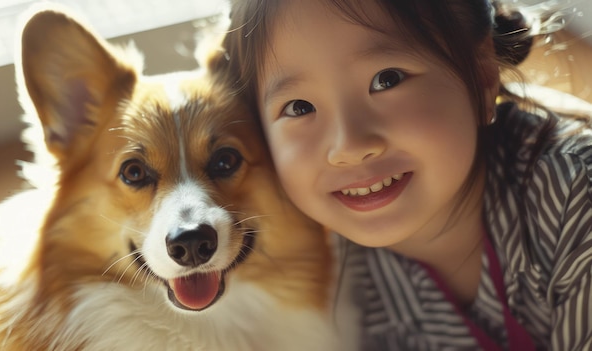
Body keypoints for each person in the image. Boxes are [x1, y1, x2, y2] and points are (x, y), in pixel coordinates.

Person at [218, 0, 592, 349]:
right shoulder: (345, 271)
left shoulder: (574, 191)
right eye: (299, 107)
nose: (348, 146)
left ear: (481, 76)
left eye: (387, 79)